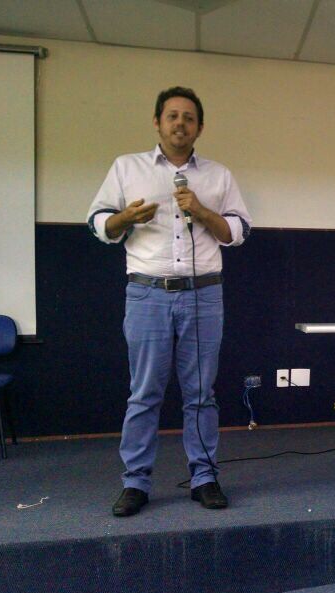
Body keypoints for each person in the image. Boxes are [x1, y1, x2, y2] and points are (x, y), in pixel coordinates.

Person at [87, 86, 251, 516]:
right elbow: (98, 222)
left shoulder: (218, 175)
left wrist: (202, 210)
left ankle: (204, 477)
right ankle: (136, 483)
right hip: (147, 294)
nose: (181, 123)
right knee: (144, 393)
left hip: (204, 294)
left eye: (189, 118)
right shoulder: (127, 168)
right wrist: (124, 218)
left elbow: (237, 232)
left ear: (200, 127)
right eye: (173, 116)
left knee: (201, 393)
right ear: (157, 122)